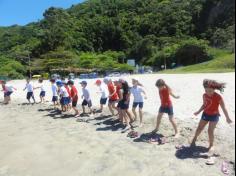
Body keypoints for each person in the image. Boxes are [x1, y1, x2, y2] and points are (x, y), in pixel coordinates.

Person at [191, 79, 232, 152]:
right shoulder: (204, 95)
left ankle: (211, 145)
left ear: (214, 89)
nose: (208, 93)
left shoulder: (218, 97)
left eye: (210, 91)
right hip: (205, 114)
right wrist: (198, 111)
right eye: (206, 90)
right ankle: (194, 138)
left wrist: (227, 118)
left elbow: (223, 108)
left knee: (210, 131)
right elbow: (204, 104)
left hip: (214, 116)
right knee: (199, 128)